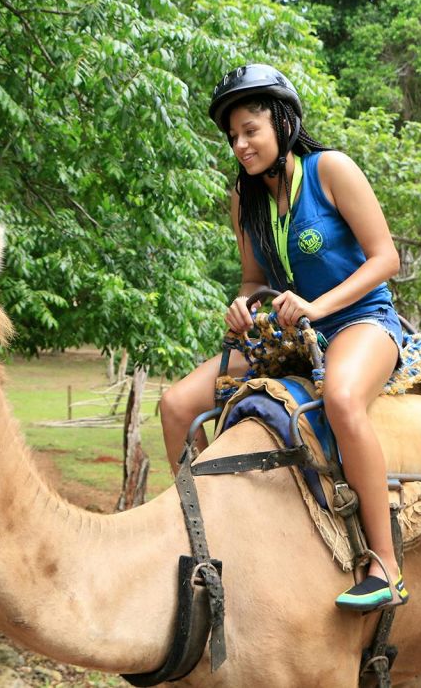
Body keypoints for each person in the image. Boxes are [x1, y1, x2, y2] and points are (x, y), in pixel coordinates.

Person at [159, 64, 406, 613]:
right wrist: (244, 305)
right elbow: (254, 281)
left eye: (250, 130)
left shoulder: (330, 170)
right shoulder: (243, 200)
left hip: (363, 321)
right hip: (290, 335)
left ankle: (385, 565)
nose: (241, 145)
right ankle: (208, 538)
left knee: (341, 398)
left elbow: (386, 257)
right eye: (233, 137)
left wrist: (318, 305)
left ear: (283, 124)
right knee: (176, 406)